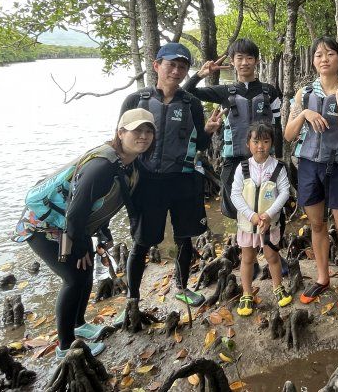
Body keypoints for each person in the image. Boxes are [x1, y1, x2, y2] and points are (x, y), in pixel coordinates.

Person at [12, 109, 156, 358]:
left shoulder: (128, 164)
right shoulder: (101, 166)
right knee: (73, 278)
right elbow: (75, 214)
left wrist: (98, 238)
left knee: (85, 272)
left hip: (70, 225)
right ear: (121, 133)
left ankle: (79, 324)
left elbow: (99, 206)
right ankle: (65, 347)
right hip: (43, 226)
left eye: (148, 131)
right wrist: (79, 248)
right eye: (136, 131)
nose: (143, 136)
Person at [119, 42, 220, 311]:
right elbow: (119, 141)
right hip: (147, 182)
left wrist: (208, 132)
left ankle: (181, 287)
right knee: (141, 243)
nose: (176, 71)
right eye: (171, 65)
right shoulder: (136, 101)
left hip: (182, 180)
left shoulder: (192, 103)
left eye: (182, 67)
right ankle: (133, 299)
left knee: (184, 237)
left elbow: (198, 146)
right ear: (157, 65)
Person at [284, 36, 338, 311]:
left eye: (330, 54)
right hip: (309, 165)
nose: (324, 59)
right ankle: (322, 278)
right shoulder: (304, 92)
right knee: (317, 225)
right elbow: (288, 135)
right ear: (313, 61)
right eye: (319, 55)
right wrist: (305, 113)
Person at [183, 39, 282, 219]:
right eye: (240, 58)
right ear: (232, 62)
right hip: (234, 162)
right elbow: (187, 92)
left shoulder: (270, 91)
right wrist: (200, 74)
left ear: (257, 61)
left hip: (264, 161)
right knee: (238, 214)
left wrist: (279, 158)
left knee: (266, 211)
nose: (245, 62)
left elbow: (277, 126)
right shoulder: (224, 91)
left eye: (249, 58)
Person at [231, 123, 293, 316]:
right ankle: (247, 293)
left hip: (270, 224)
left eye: (265, 141)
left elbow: (284, 193)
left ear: (272, 144)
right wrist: (252, 216)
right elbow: (235, 194)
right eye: (256, 141)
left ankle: (277, 287)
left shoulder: (278, 167)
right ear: (248, 143)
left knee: (272, 257)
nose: (260, 146)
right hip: (247, 225)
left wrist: (268, 215)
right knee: (247, 259)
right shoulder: (242, 168)